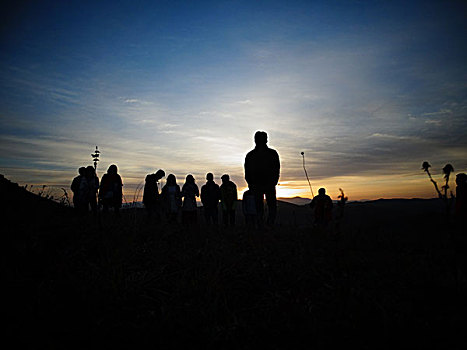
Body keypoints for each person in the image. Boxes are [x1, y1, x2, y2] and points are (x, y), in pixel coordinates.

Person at [244, 131, 280, 227]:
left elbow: (276, 168)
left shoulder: (271, 153)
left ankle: (267, 225)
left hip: (266, 184)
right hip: (258, 185)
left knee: (268, 206)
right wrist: (250, 183)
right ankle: (263, 225)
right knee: (260, 207)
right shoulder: (251, 155)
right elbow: (247, 171)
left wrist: (273, 182)